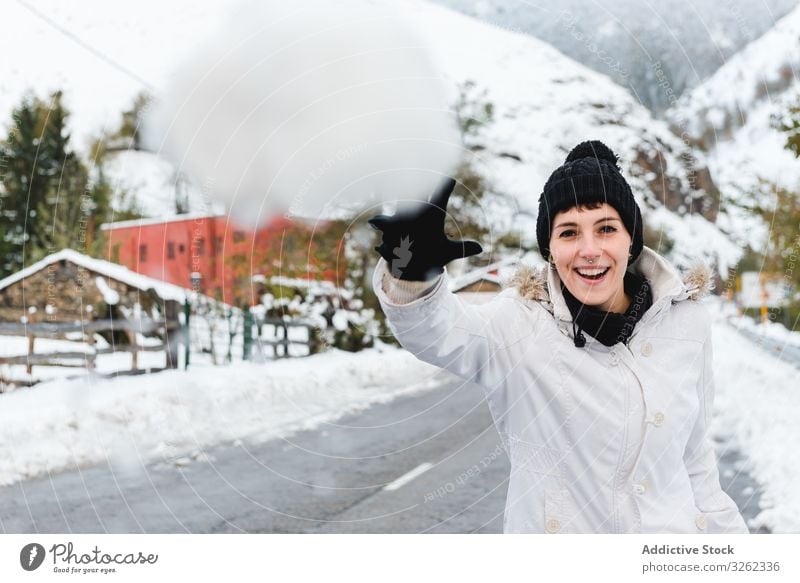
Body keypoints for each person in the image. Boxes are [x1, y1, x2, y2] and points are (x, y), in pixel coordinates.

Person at [368, 140, 748, 534]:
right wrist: (409, 275)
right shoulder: (520, 325)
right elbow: (438, 332)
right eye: (568, 233)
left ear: (630, 240)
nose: (589, 250)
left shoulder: (687, 323)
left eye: (606, 229)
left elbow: (696, 460)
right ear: (549, 249)